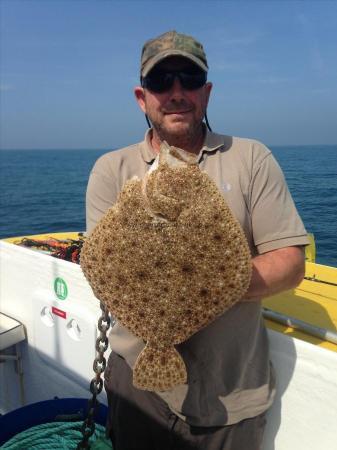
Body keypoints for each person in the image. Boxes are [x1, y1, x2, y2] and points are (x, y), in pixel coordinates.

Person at [86, 31, 309, 450]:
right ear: (142, 96)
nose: (175, 92)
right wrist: (193, 286)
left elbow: (290, 264)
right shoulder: (110, 170)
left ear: (206, 92)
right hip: (138, 389)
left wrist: (209, 285)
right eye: (160, 81)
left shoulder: (251, 158)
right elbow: (104, 270)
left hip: (233, 397)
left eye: (188, 79)